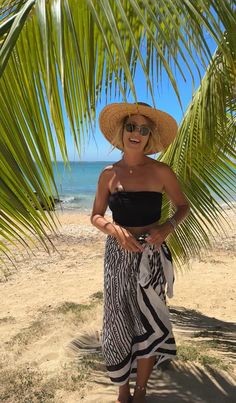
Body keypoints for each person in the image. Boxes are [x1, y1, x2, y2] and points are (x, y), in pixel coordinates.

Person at [91, 102, 190, 403]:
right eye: (131, 127)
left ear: (149, 137)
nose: (136, 133)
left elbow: (183, 206)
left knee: (148, 319)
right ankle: (123, 390)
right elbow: (96, 215)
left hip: (151, 255)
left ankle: (141, 389)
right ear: (122, 132)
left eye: (143, 129)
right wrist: (112, 229)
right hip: (117, 258)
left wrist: (166, 227)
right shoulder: (108, 174)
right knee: (118, 319)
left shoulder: (161, 171)